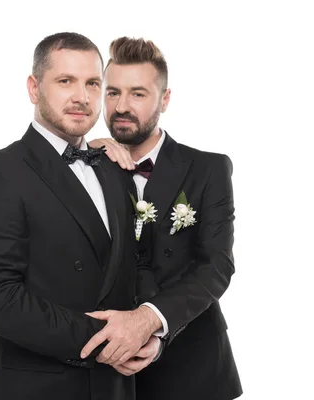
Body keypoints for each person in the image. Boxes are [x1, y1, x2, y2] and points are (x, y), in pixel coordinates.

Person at [0, 32, 159, 400]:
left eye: (93, 84)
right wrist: (110, 341)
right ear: (34, 88)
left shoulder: (115, 169)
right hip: (33, 388)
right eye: (65, 81)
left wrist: (148, 330)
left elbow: (136, 265)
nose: (82, 97)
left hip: (116, 388)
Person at [85, 37, 243, 399]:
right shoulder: (87, 165)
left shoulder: (208, 168)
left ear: (165, 100)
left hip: (194, 367)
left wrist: (151, 324)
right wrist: (82, 152)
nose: (122, 106)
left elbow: (216, 266)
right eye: (112, 93)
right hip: (104, 370)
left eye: (138, 94)